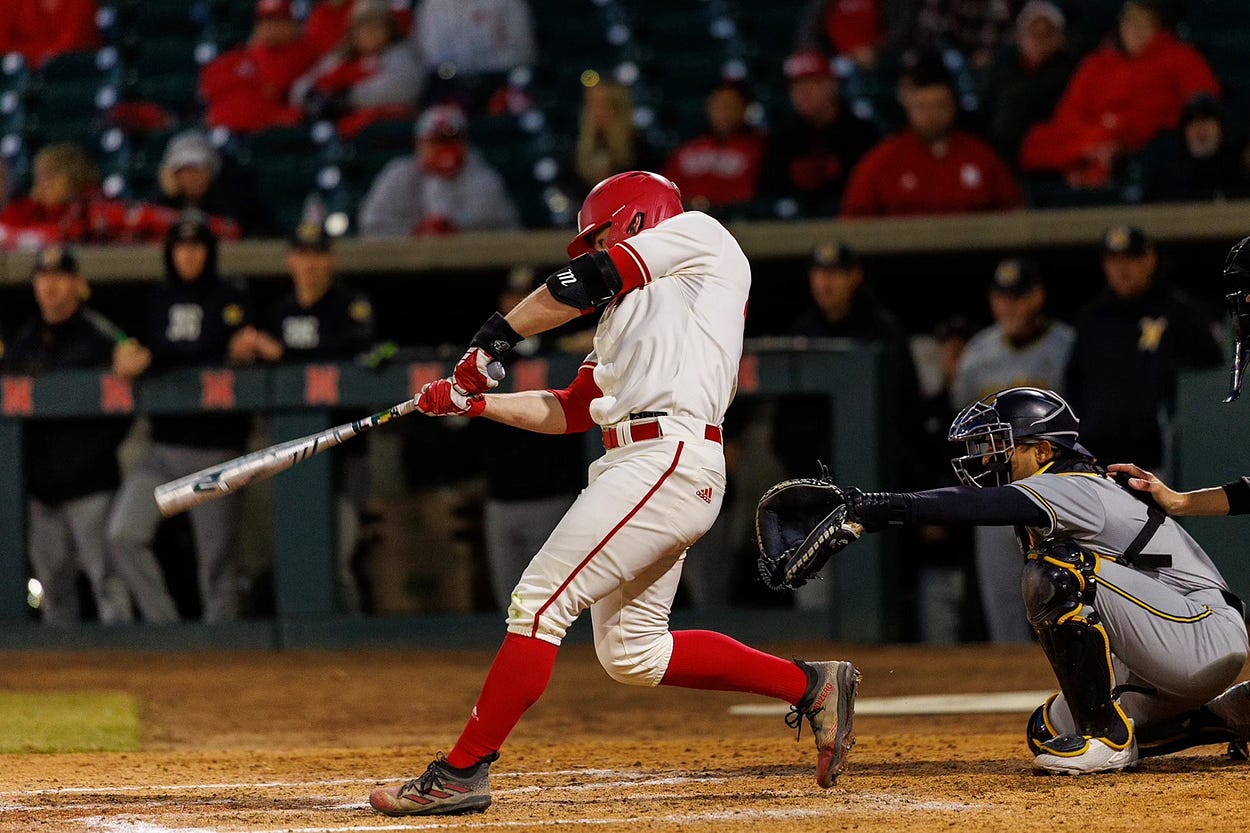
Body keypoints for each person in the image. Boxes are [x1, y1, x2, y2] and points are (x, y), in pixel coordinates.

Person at [367, 171, 860, 816]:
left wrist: (491, 340)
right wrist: (476, 403)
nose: (597, 249)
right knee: (633, 651)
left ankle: (463, 771)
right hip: (638, 463)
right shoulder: (629, 314)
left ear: (637, 217)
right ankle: (811, 685)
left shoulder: (700, 236)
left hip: (667, 455)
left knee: (539, 603)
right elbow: (572, 409)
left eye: (602, 235)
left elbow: (591, 278)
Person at [757, 386, 1248, 773]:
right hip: (1166, 650)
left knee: (1057, 570)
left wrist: (874, 507)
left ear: (1042, 449)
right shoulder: (1062, 489)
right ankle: (1226, 715)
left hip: (1201, 634)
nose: (990, 461)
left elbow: (977, 506)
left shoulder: (1076, 486)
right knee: (1047, 730)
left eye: (1002, 448)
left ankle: (1107, 738)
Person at [106, 216, 259, 623]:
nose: (188, 256)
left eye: (196, 248)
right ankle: (166, 629)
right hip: (163, 450)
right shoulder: (157, 298)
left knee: (216, 563)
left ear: (209, 252)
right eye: (180, 248)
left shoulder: (230, 296)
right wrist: (128, 355)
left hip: (217, 450)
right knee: (124, 534)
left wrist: (159, 357)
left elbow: (228, 347)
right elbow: (130, 346)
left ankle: (220, 649)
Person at [1, 246, 150, 625]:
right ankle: (61, 660)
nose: (50, 285)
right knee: (53, 587)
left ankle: (122, 654)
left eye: (59, 277)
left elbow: (126, 401)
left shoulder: (100, 335)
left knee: (108, 582)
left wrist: (88, 458)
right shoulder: (26, 339)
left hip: (91, 486)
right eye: (43, 277)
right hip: (41, 490)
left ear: (78, 284)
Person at [252, 221, 376, 612]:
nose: (310, 264)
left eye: (318, 254)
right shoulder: (278, 312)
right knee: (297, 557)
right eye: (302, 254)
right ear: (290, 260)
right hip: (293, 455)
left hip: (345, 454)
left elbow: (356, 352)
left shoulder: (350, 306)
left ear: (331, 259)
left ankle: (352, 634)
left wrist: (285, 355)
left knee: (337, 558)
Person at [952, 257, 1074, 642]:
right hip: (995, 487)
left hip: (1055, 489)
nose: (1009, 306)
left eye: (1018, 297)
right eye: (1001, 297)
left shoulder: (1067, 346)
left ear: (1037, 297)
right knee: (1004, 605)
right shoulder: (978, 353)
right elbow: (959, 421)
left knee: (1066, 598)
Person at [470, 266, 588, 611]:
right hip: (500, 498)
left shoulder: (561, 349)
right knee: (509, 604)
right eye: (511, 298)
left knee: (556, 603)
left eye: (525, 297)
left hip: (553, 497)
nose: (518, 305)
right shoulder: (484, 355)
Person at [1065, 225, 1223, 473]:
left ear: (1150, 259)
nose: (1122, 268)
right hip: (1097, 455)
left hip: (1157, 456)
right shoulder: (1093, 317)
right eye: (1113, 260)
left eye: (1130, 258)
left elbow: (1212, 373)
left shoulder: (1179, 313)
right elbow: (1075, 384)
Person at [1019, 0, 1219, 189]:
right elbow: (1069, 112)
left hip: (1148, 137)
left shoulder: (1180, 57)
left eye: (1143, 25)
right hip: (1094, 137)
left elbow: (1201, 103)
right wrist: (1091, 142)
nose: (1136, 32)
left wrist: (1120, 131)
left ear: (1157, 28)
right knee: (1036, 140)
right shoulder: (1096, 64)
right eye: (1130, 24)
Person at [771, 240, 919, 480]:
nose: (825, 283)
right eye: (818, 273)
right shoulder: (804, 330)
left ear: (855, 276)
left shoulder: (881, 329)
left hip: (874, 460)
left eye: (834, 273)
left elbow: (907, 405)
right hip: (814, 466)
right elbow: (787, 416)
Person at [842, 55, 1023, 216]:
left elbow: (1015, 213)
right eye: (922, 107)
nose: (932, 114)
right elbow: (854, 222)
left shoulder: (980, 156)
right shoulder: (882, 161)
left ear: (954, 106)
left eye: (940, 105)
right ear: (908, 107)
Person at [358, 104, 520, 237]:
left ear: (465, 144)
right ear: (420, 145)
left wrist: (456, 231)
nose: (445, 149)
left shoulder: (483, 178)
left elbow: (505, 232)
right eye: (437, 141)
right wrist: (416, 232)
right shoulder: (398, 175)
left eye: (451, 140)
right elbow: (371, 226)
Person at [758, 51, 880, 218]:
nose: (803, 92)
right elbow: (768, 193)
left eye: (813, 83)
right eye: (796, 86)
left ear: (833, 85)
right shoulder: (782, 137)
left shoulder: (861, 133)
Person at [289, 0, 423, 134]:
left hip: (383, 130)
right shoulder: (341, 56)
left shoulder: (399, 53)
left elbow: (403, 88)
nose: (371, 33)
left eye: (377, 27)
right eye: (364, 28)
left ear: (390, 30)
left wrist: (348, 96)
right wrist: (313, 95)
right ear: (353, 31)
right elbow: (299, 89)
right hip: (339, 130)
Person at [979, 1, 1076, 168]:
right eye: (1033, 33)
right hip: (996, 149)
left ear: (1060, 38)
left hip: (1043, 155)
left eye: (1047, 34)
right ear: (1020, 36)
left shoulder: (1070, 72)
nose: (1039, 41)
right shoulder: (1003, 64)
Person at [199, 0, 317, 134]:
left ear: (293, 24)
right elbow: (207, 87)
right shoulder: (240, 56)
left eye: (278, 20)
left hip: (272, 130)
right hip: (225, 128)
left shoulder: (304, 55)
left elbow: (274, 90)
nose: (270, 27)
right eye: (265, 20)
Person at [661, 80, 766, 215]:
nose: (723, 112)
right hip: (685, 218)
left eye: (730, 106)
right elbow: (666, 191)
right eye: (718, 105)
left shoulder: (758, 148)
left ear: (744, 109)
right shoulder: (688, 148)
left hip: (738, 219)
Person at [151, 130, 269, 238]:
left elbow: (239, 230)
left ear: (210, 171)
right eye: (184, 170)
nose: (191, 177)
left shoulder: (233, 198)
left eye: (197, 170)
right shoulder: (163, 199)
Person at [1135, 92, 1250, 204]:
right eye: (1193, 122)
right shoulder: (1169, 169)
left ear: (1220, 128)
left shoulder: (1238, 163)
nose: (1200, 128)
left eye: (1206, 120)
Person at [569, 79, 661, 200]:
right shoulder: (578, 145)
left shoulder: (638, 146)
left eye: (603, 105)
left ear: (618, 108)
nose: (595, 112)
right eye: (591, 104)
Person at [0, 0, 100, 69]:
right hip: (17, 77)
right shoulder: (10, 3)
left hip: (72, 76)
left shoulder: (80, 4)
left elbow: (69, 46)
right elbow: (2, 46)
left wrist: (27, 54)